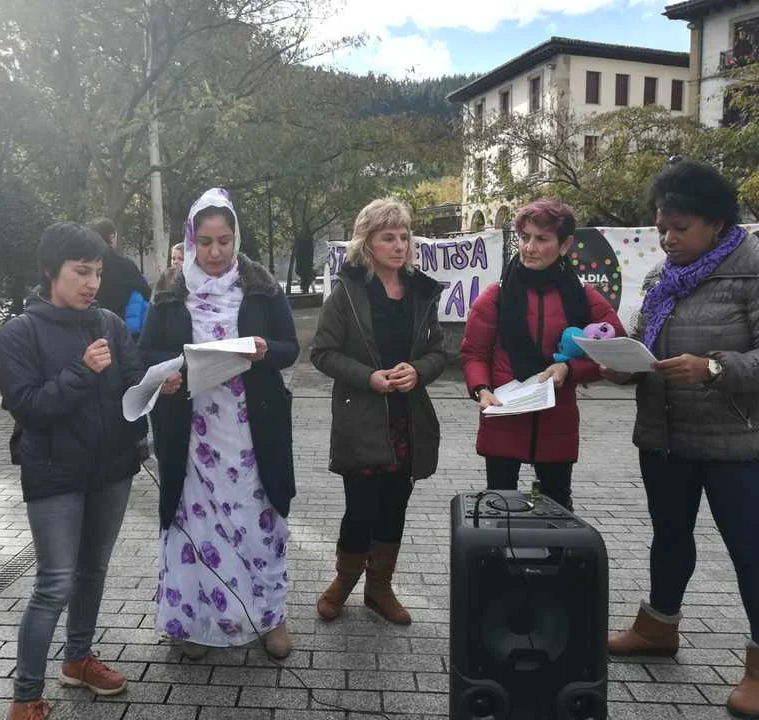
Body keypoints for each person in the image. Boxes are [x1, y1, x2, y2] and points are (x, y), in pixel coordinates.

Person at [605, 161, 759, 718]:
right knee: (669, 537)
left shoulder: (753, 270)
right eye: (661, 228)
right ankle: (657, 627)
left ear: (716, 224)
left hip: (737, 442)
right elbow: (646, 343)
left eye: (680, 228)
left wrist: (714, 368)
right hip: (665, 437)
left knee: (750, 550)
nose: (668, 239)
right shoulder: (661, 277)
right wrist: (621, 364)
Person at [0, 222, 146, 720]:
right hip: (55, 473)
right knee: (55, 583)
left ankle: (78, 659)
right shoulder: (20, 332)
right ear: (50, 271)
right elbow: (28, 406)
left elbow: (131, 382)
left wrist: (157, 386)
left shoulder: (109, 323)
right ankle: (25, 697)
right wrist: (82, 371)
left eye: (97, 272)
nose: (92, 283)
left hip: (111, 469)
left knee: (93, 571)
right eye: (81, 272)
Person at [139, 188, 299, 660]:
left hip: (251, 434)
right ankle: (194, 622)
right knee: (196, 527)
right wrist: (168, 374)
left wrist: (265, 351)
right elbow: (146, 353)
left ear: (236, 238)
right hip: (191, 435)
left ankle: (270, 616)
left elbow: (290, 347)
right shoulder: (170, 291)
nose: (214, 252)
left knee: (257, 523)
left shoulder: (262, 287)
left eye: (224, 241)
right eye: (205, 242)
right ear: (191, 240)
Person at [311, 197, 446, 625]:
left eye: (404, 236)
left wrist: (418, 371)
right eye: (388, 237)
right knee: (360, 509)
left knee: (394, 507)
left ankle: (379, 588)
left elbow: (438, 352)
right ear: (366, 242)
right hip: (362, 420)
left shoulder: (421, 292)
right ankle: (343, 582)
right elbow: (322, 353)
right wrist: (368, 377)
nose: (399, 245)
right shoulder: (347, 293)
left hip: (407, 418)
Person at [459, 200, 624, 510]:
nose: (529, 247)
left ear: (565, 245)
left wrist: (570, 369)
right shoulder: (496, 295)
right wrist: (481, 389)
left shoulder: (583, 296)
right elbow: (473, 353)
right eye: (524, 237)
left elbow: (614, 348)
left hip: (556, 420)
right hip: (504, 419)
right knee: (500, 510)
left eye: (542, 239)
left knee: (557, 510)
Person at [87, 217, 152, 339]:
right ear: (112, 237)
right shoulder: (125, 265)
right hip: (121, 329)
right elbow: (147, 293)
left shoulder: (83, 265)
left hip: (88, 329)